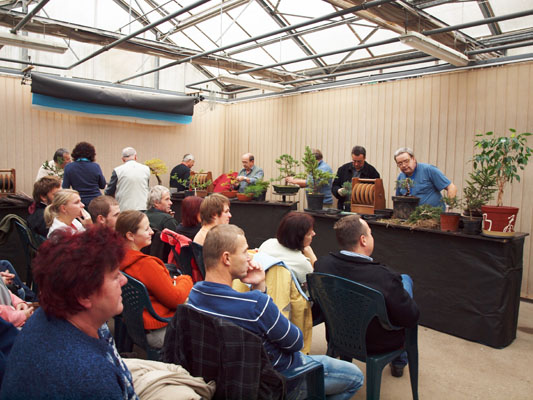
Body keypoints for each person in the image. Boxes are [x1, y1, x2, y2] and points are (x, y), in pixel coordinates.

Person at [187, 224, 364, 399]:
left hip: (231, 380)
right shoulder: (255, 305)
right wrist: (261, 295)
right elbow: (296, 342)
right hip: (279, 380)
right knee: (356, 377)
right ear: (226, 258)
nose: (249, 257)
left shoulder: (194, 296)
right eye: (245, 251)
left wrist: (259, 286)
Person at [0, 226, 138, 399]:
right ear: (84, 294)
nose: (124, 280)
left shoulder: (51, 317)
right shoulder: (89, 377)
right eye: (115, 276)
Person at [314, 215, 420, 378]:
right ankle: (399, 361)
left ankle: (399, 360)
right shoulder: (385, 278)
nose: (372, 237)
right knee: (405, 280)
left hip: (338, 336)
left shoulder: (322, 265)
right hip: (377, 344)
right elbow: (411, 318)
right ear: (363, 240)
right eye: (370, 233)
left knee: (402, 282)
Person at [116, 210, 193, 349]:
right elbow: (176, 299)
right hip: (159, 330)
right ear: (130, 235)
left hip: (137, 328)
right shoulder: (145, 265)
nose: (152, 232)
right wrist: (185, 279)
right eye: (146, 229)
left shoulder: (118, 259)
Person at [258, 212, 317, 286]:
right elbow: (314, 287)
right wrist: (312, 256)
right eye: (309, 233)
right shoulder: (301, 262)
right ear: (298, 238)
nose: (314, 234)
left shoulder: (268, 243)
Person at [332, 146, 380, 210]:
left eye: (359, 161)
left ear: (364, 158)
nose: (356, 164)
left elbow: (377, 191)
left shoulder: (372, 172)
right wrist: (338, 190)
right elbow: (334, 186)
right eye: (354, 161)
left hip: (364, 208)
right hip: (344, 206)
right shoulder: (343, 169)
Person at [105, 147, 150, 211]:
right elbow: (146, 186)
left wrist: (106, 189)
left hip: (124, 208)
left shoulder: (117, 171)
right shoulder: (146, 169)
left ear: (123, 159)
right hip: (143, 207)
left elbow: (109, 191)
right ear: (135, 157)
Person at [62, 141, 106, 208]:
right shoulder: (95, 166)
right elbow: (102, 185)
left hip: (79, 202)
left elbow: (65, 188)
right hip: (96, 201)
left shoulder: (69, 167)